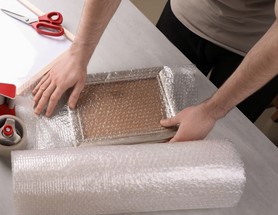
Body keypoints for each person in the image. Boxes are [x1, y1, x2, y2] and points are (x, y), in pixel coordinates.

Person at [32, 0, 278, 142]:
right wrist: (79, 52)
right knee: (153, 124)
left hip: (257, 45)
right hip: (186, 15)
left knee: (224, 141)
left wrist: (212, 111)